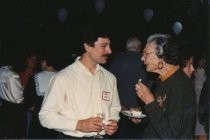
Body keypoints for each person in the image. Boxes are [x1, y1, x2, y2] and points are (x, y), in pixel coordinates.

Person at [39, 28, 121, 139]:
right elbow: (45, 116)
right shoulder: (63, 78)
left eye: (109, 46)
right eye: (104, 46)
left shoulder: (110, 78)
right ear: (87, 46)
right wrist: (79, 125)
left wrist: (113, 121)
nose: (110, 51)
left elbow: (114, 108)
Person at [135, 33, 196, 139]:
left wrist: (149, 102)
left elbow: (171, 134)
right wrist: (142, 117)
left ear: (161, 57)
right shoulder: (162, 80)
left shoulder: (181, 85)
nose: (142, 58)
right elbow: (162, 117)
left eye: (146, 54)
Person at [109, 36, 155, 138]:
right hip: (139, 112)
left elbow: (109, 84)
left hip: (120, 109)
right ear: (139, 47)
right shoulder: (145, 62)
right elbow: (151, 85)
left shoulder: (117, 60)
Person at [24, 53, 59, 139]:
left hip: (39, 121)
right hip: (59, 121)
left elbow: (28, 102)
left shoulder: (35, 78)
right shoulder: (65, 76)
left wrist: (36, 109)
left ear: (44, 63)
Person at [0, 46, 25, 138]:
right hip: (13, 112)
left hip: (3, 109)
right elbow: (19, 99)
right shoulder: (12, 75)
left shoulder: (1, 71)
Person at [194, 54, 207, 140]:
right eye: (202, 60)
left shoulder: (202, 71)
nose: (204, 62)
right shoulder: (198, 72)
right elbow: (199, 89)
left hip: (202, 102)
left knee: (200, 127)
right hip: (200, 102)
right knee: (201, 128)